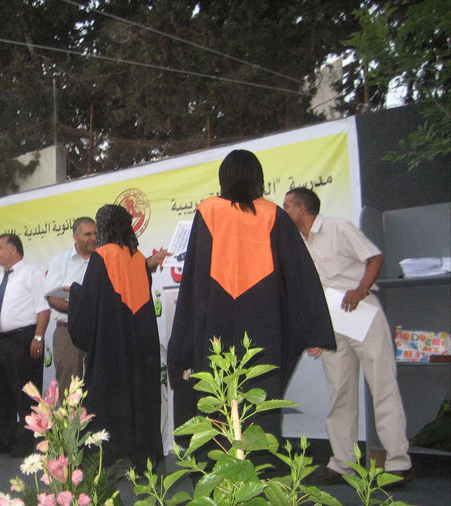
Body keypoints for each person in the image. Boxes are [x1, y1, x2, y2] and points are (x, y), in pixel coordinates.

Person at [167, 149, 336, 440]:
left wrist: (182, 347)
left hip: (215, 328)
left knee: (217, 407)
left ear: (224, 179)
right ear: (259, 178)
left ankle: (220, 463)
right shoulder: (275, 215)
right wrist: (314, 330)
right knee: (260, 403)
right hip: (263, 330)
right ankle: (260, 461)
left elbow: (193, 282)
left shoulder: (208, 211)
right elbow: (299, 278)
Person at [283, 186, 413, 486]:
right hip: (331, 324)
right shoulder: (295, 244)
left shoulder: (338, 228)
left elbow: (375, 257)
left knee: (383, 388)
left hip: (363, 315)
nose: (283, 211)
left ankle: (398, 463)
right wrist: (314, 331)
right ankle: (343, 464)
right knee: (340, 395)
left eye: (287, 205)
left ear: (302, 208)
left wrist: (360, 289)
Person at [68, 204, 164, 468]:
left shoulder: (102, 256)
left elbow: (89, 307)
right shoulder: (139, 258)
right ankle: (143, 460)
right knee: (140, 400)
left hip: (111, 349)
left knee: (106, 402)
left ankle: (102, 461)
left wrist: (75, 292)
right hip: (141, 347)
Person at [0, 233, 50, 457]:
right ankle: (4, 441)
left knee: (27, 394)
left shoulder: (32, 273)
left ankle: (28, 444)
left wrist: (38, 337)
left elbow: (43, 309)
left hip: (23, 338)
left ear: (13, 249)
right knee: (1, 394)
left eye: (0, 248)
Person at [44, 217, 97, 394]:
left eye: (95, 233)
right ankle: (71, 415)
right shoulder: (60, 261)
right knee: (69, 390)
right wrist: (81, 311)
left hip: (97, 332)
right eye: (87, 234)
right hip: (67, 332)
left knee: (99, 384)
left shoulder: (103, 259)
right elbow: (52, 297)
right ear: (75, 236)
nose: (93, 238)